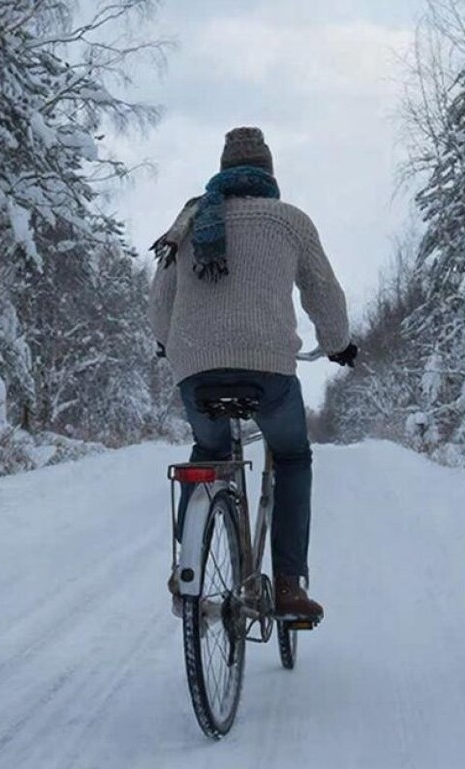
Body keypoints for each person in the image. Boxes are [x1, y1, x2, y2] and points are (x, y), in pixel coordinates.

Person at [148, 126, 357, 620]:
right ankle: (287, 585)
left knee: (209, 451)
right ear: (268, 174)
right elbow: (324, 293)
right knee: (292, 456)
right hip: (269, 372)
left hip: (195, 368)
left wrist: (165, 341)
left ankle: (188, 572)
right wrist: (338, 344)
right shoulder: (289, 221)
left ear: (223, 171)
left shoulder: (190, 220)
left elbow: (160, 300)